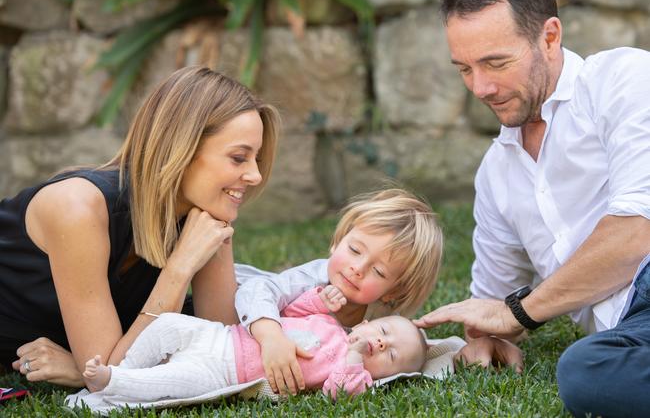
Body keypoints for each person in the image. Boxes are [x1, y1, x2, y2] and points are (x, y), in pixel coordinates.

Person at [411, 0, 650, 417]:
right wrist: (487, 334)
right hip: (632, 330)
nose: (480, 87)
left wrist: (519, 312)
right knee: (586, 373)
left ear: (549, 37)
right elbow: (492, 304)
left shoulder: (623, 80)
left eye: (496, 63)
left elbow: (636, 232)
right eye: (464, 69)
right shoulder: (496, 174)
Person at [0, 66, 280, 387]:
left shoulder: (204, 211)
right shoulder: (77, 208)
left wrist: (81, 370)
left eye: (256, 158)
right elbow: (111, 378)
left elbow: (225, 350)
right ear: (182, 149)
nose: (255, 175)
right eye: (238, 158)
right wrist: (178, 268)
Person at [234, 188, 443, 396]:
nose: (358, 269)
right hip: (234, 297)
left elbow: (409, 347)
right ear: (338, 241)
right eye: (354, 250)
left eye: (378, 271)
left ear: (394, 291)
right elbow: (258, 289)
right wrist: (271, 337)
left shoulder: (381, 322)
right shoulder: (313, 279)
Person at [80, 285, 428, 402]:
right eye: (383, 332)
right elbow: (292, 310)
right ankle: (125, 367)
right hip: (223, 335)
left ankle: (115, 383)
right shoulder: (329, 323)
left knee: (178, 382)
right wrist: (322, 299)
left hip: (225, 372)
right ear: (366, 323)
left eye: (391, 353)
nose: (380, 344)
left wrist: (354, 354)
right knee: (169, 324)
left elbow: (339, 391)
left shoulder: (351, 373)